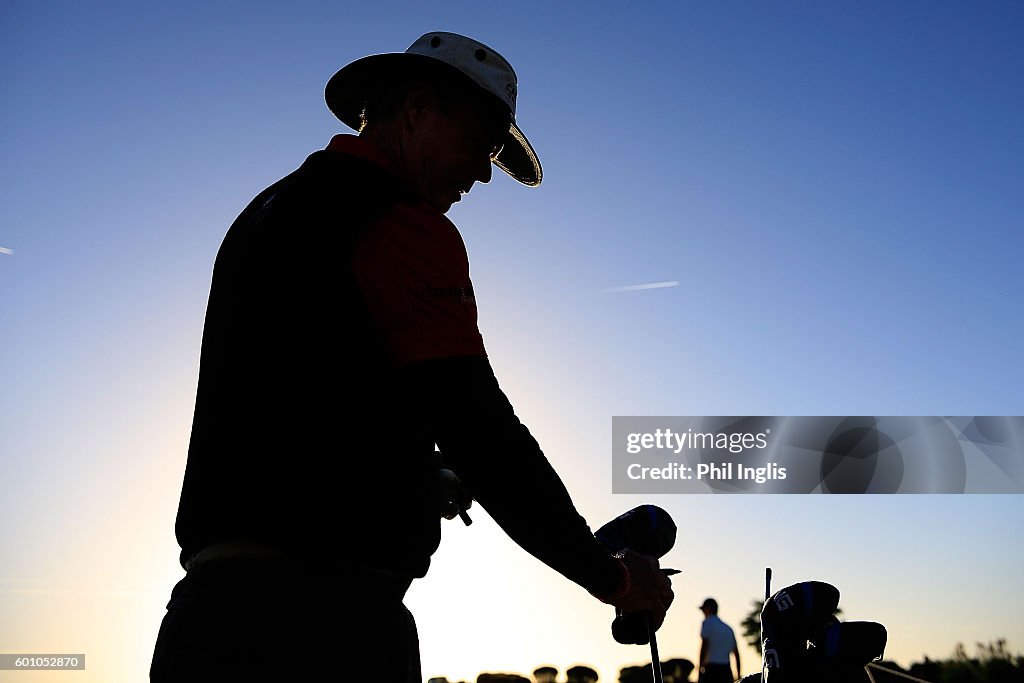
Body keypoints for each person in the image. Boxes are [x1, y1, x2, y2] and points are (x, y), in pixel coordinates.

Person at [150, 31, 674, 682]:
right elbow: (483, 434)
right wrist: (617, 581)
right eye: (481, 145)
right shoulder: (402, 222)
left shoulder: (266, 211)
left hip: (205, 622)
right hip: (324, 630)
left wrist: (422, 478)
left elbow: (299, 412)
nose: (484, 172)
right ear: (420, 109)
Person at [698, 598, 741, 683]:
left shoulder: (707, 622)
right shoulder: (728, 629)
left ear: (709, 608)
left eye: (704, 609)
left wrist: (700, 670)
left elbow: (704, 646)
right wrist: (738, 675)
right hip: (726, 672)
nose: (703, 612)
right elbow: (736, 654)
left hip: (711, 671)